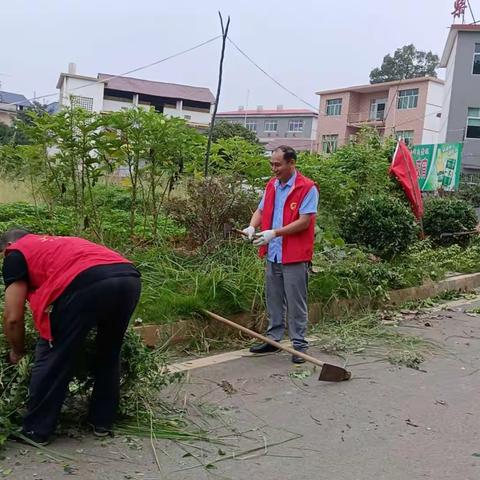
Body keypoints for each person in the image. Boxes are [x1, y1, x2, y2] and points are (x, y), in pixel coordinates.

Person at [1, 229, 141, 445]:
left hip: (87, 282)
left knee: (53, 353)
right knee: (109, 351)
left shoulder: (15, 253)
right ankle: (102, 421)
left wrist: (17, 351)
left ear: (7, 246)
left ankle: (35, 431)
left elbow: (12, 317)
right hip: (128, 277)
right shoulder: (58, 242)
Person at [242, 145, 318, 364]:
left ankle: (299, 345)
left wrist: (274, 233)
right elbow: (261, 210)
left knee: (296, 302)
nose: (274, 169)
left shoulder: (307, 188)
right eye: (271, 164)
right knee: (273, 298)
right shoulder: (272, 185)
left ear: (291, 163)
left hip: (294, 254)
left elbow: (304, 222)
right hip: (273, 253)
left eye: (278, 164)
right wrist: (251, 226)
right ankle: (273, 340)